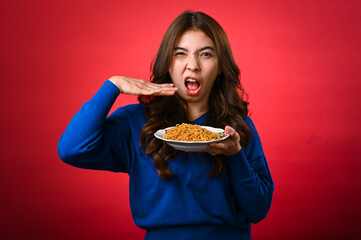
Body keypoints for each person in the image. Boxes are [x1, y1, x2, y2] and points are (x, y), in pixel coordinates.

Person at [58, 11, 274, 240]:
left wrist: (235, 154)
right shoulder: (137, 122)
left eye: (206, 54)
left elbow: (258, 210)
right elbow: (72, 149)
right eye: (180, 54)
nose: (193, 65)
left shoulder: (237, 129)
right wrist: (113, 86)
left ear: (220, 66)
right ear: (168, 63)